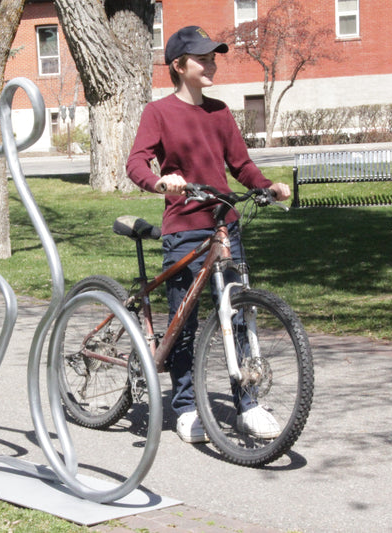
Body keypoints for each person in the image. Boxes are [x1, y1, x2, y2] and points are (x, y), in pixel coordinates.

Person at [126, 26, 291, 444]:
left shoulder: (219, 111)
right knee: (185, 321)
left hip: (225, 226)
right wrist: (161, 183)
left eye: (214, 57)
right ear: (179, 66)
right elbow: (137, 163)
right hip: (184, 230)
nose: (213, 63)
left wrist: (265, 185)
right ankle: (184, 407)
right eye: (204, 58)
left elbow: (241, 164)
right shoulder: (158, 112)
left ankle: (248, 403)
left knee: (238, 314)